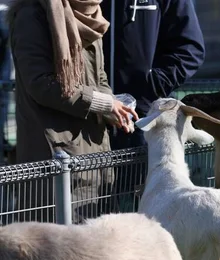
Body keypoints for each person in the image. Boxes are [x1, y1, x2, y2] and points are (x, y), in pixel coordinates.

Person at [8, 0, 137, 222]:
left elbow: (100, 76)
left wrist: (113, 108)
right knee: (56, 246)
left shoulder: (90, 14)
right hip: (56, 156)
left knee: (96, 244)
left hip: (95, 152)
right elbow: (40, 83)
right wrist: (102, 104)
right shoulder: (32, 15)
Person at [100, 0, 205, 212]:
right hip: (93, 120)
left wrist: (152, 84)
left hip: (145, 122)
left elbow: (190, 49)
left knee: (147, 213)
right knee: (95, 212)